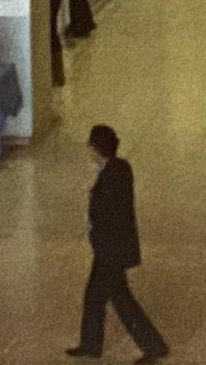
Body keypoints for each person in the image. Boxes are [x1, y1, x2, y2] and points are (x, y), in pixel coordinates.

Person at [68, 124, 168, 362]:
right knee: (94, 295)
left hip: (109, 251)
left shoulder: (111, 175)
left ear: (96, 148)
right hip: (109, 248)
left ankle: (152, 346)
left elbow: (107, 213)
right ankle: (90, 343)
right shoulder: (119, 168)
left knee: (122, 300)